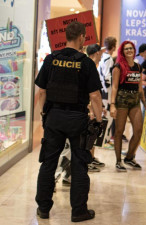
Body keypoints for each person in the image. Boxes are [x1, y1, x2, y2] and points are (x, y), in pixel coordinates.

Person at [35, 21, 103, 222]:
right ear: (82, 37)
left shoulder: (51, 59)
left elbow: (41, 92)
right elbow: (96, 96)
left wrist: (43, 115)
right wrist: (98, 121)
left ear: (66, 36)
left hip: (54, 117)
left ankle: (44, 208)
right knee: (80, 165)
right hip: (77, 119)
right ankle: (78, 211)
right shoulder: (86, 63)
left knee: (48, 163)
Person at [110, 40, 146, 172]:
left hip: (135, 102)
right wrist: (112, 105)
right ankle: (118, 161)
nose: (129, 51)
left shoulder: (138, 67)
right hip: (121, 102)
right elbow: (115, 87)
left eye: (131, 49)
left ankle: (129, 157)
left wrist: (145, 105)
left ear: (134, 51)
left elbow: (140, 88)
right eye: (126, 49)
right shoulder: (118, 67)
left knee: (138, 131)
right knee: (119, 132)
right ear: (122, 51)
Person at [86, 43, 107, 172]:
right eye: (101, 52)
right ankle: (87, 160)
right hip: (88, 107)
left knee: (92, 134)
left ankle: (91, 158)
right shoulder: (89, 66)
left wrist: (100, 106)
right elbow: (91, 93)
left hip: (91, 106)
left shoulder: (93, 66)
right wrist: (92, 109)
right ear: (97, 53)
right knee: (90, 133)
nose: (102, 54)